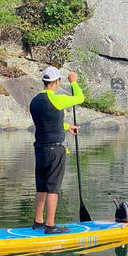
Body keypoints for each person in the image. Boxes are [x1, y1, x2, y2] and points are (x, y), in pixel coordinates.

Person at [29, 66, 84, 234]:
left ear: (44, 81)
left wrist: (66, 126)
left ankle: (38, 222)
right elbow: (80, 98)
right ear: (57, 82)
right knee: (53, 187)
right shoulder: (56, 99)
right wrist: (74, 82)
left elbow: (47, 121)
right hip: (55, 150)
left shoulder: (35, 101)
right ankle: (50, 225)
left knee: (41, 186)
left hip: (40, 149)